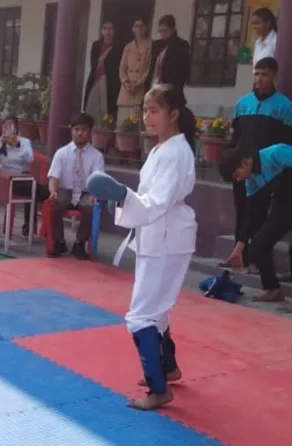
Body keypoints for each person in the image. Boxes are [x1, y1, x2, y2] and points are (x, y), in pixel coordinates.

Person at [85, 84, 196, 411]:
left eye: (154, 110)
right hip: (162, 235)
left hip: (165, 237)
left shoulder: (174, 152)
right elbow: (151, 200)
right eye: (145, 110)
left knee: (141, 315)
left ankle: (159, 389)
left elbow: (157, 202)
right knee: (155, 310)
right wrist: (121, 200)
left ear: (173, 114)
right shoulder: (165, 148)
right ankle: (168, 368)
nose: (147, 116)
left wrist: (123, 197)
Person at [219, 144, 292, 313]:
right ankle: (273, 289)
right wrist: (239, 248)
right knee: (258, 244)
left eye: (237, 175)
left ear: (245, 163)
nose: (239, 180)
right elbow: (251, 215)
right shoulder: (251, 180)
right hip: (285, 206)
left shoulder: (277, 153)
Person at [222, 56, 292, 270]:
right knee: (241, 212)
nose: (259, 79)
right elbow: (235, 138)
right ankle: (238, 256)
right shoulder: (242, 103)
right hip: (241, 168)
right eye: (256, 74)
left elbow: (289, 142)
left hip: (265, 171)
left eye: (265, 74)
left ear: (274, 76)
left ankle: (257, 260)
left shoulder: (285, 106)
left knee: (259, 215)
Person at [46, 113, 104, 259]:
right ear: (71, 130)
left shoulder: (97, 156)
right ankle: (59, 242)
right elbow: (54, 177)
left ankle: (80, 243)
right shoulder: (61, 153)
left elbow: (99, 180)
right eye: (76, 129)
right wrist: (53, 191)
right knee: (54, 204)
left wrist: (95, 195)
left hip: (86, 192)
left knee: (91, 207)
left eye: (84, 130)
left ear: (89, 132)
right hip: (66, 190)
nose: (80, 133)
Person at [0, 116, 40, 237]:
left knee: (32, 189)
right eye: (5, 126)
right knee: (33, 189)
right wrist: (0, 142)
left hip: (22, 177)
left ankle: (28, 224)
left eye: (11, 126)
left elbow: (30, 159)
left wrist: (17, 146)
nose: (7, 129)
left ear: (16, 128)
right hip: (5, 178)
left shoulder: (24, 142)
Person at [84, 21, 122, 123]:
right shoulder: (96, 45)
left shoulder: (119, 47)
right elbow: (93, 64)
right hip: (96, 79)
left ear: (115, 31)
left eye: (110, 29)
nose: (108, 32)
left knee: (107, 110)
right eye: (105, 29)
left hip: (110, 81)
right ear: (102, 31)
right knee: (91, 108)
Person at [117, 19, 152, 125]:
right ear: (132, 29)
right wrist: (126, 82)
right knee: (123, 122)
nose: (138, 29)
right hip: (126, 89)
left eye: (141, 26)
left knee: (136, 121)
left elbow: (149, 69)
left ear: (146, 28)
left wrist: (137, 84)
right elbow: (122, 67)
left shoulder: (150, 46)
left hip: (140, 87)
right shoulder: (128, 47)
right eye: (136, 26)